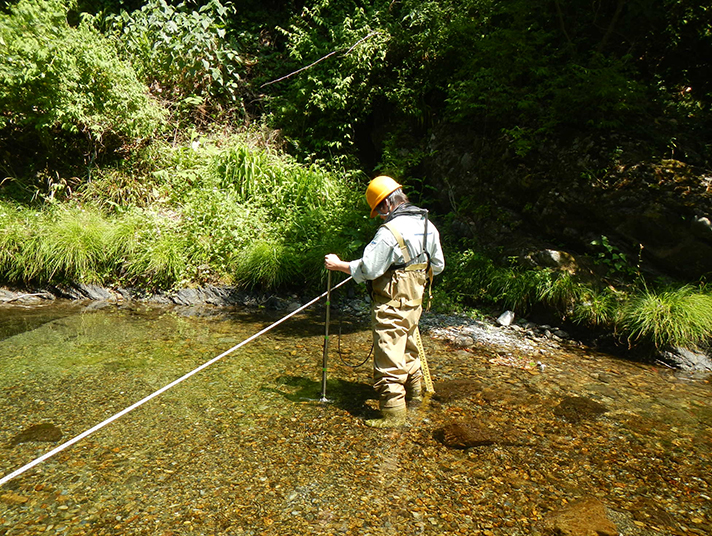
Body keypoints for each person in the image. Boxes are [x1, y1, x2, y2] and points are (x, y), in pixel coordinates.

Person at [325, 176, 445, 428]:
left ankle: (393, 421)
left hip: (391, 305)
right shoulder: (428, 225)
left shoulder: (389, 232)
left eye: (379, 212)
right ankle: (415, 401)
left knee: (389, 362)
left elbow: (369, 268)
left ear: (386, 205)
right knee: (410, 350)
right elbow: (438, 266)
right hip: (415, 303)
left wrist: (339, 265)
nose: (380, 217)